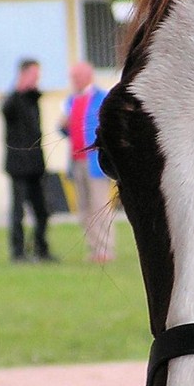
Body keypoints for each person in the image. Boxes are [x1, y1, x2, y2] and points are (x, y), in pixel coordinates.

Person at [1, 58, 56, 262]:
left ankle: (41, 249)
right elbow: (5, 109)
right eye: (34, 75)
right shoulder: (12, 100)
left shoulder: (33, 99)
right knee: (18, 212)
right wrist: (19, 87)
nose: (37, 79)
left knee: (42, 211)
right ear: (23, 75)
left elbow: (38, 95)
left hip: (35, 165)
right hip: (18, 167)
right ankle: (18, 252)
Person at [61, 61, 115, 263]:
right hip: (77, 161)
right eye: (72, 77)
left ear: (87, 76)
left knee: (99, 205)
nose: (73, 81)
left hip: (95, 162)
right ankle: (93, 248)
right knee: (83, 207)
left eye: (76, 77)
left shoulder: (101, 98)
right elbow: (67, 130)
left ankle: (105, 249)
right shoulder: (71, 101)